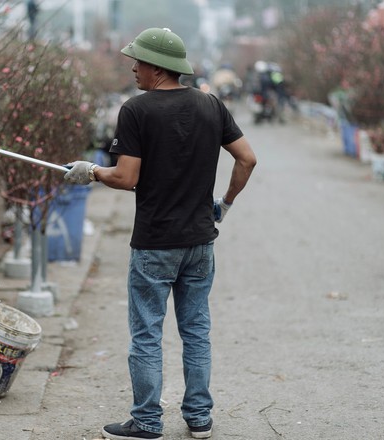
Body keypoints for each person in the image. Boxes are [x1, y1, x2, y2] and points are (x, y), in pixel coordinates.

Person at [64, 27, 256, 440]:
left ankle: (148, 422)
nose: (133, 68)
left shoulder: (137, 111)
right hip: (201, 241)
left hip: (155, 244)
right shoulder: (211, 105)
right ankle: (200, 418)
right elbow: (248, 159)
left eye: (138, 61)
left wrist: (92, 172)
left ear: (157, 67)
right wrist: (225, 203)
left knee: (148, 334)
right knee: (196, 331)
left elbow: (126, 177)